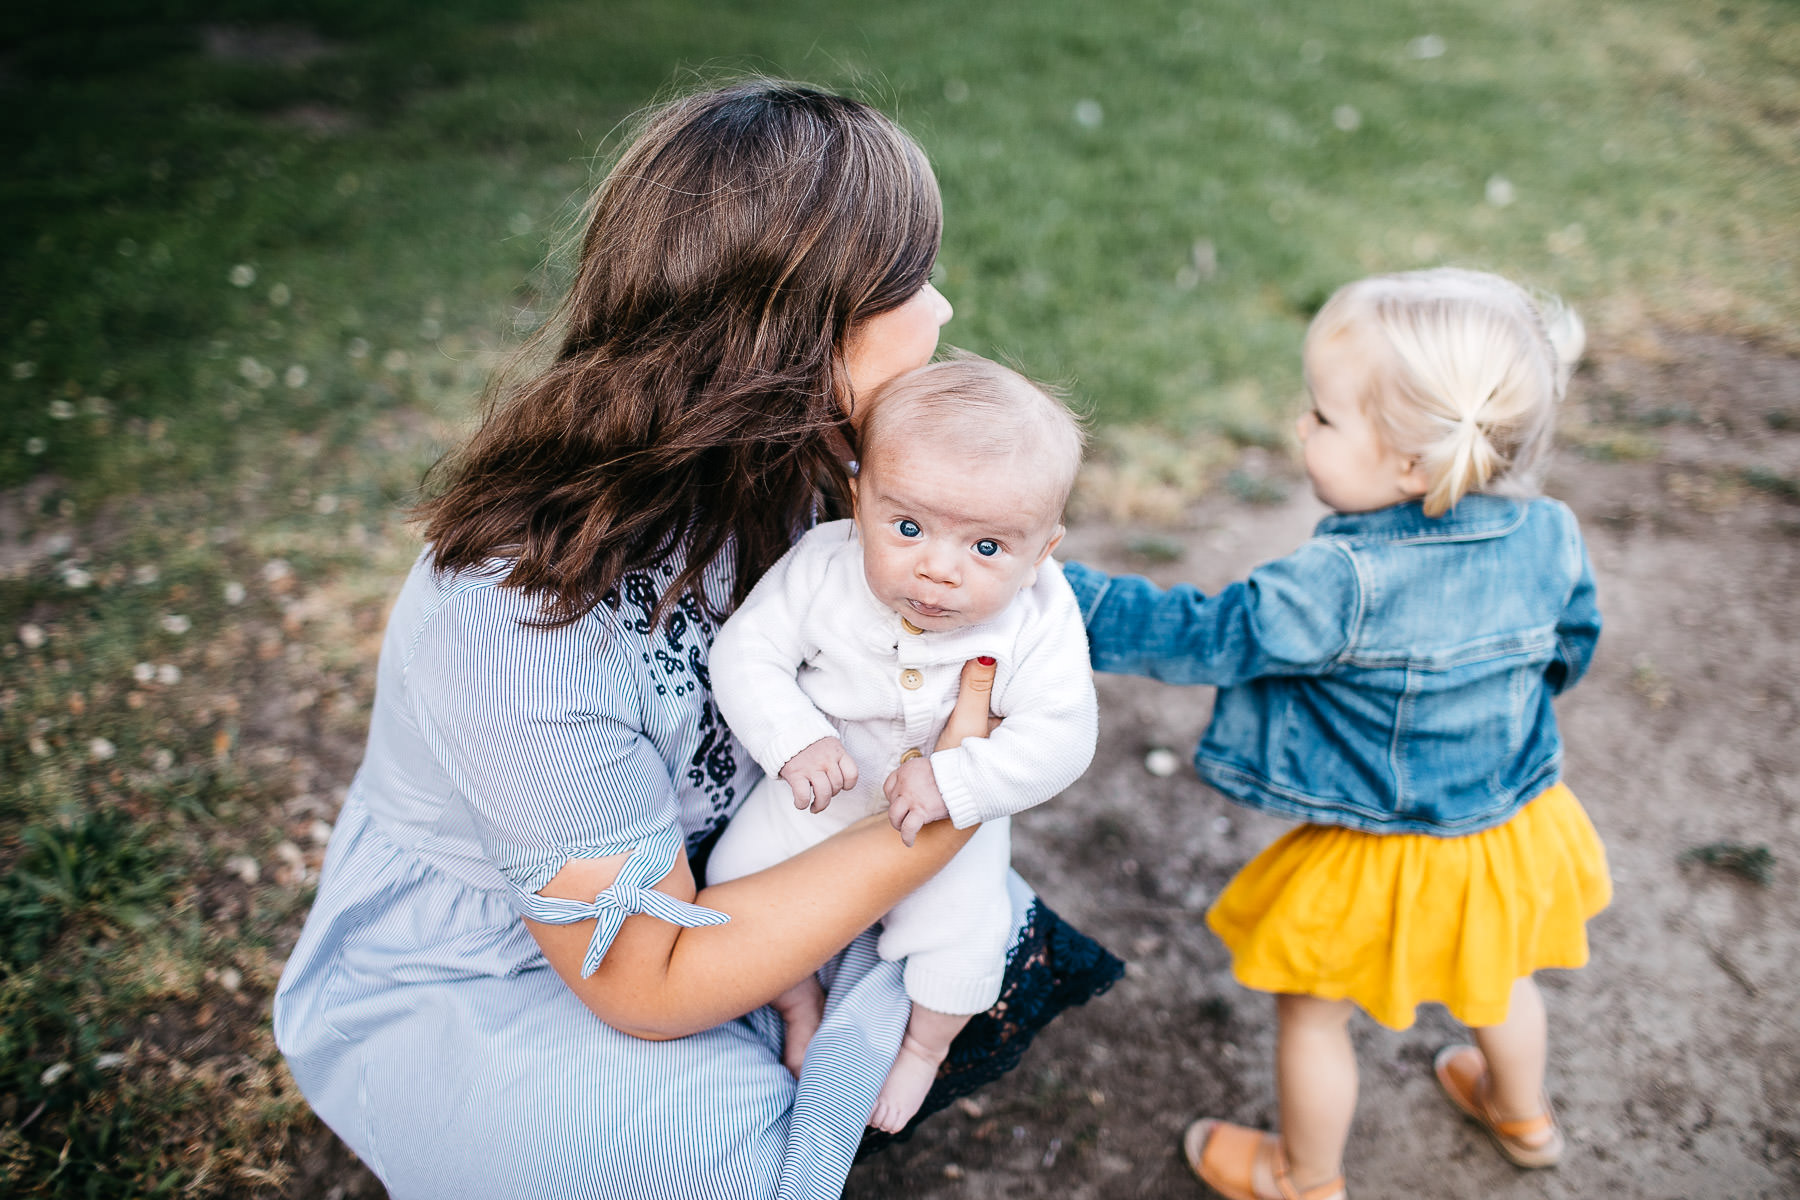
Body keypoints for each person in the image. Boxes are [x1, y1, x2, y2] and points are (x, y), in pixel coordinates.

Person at [272, 80, 1120, 1200]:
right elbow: (643, 976)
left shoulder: (807, 462)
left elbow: (1005, 584)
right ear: (795, 340)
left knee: (963, 945)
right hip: (511, 967)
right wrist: (944, 811)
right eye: (910, 284)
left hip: (731, 850)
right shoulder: (519, 612)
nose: (946, 310)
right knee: (661, 1142)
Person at [1061, 268, 1610, 1200]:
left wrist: (1060, 596)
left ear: (1408, 464)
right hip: (1511, 829)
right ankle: (1524, 1117)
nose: (1300, 430)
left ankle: (1300, 1174)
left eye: (1320, 416)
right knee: (1502, 977)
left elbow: (1208, 635)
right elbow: (1573, 642)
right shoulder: (1552, 532)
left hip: (1381, 853)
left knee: (1313, 1013)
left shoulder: (1340, 581)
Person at [705, 355, 1098, 1133]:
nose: (939, 569)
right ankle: (797, 1000)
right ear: (860, 500)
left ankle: (923, 1047)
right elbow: (747, 654)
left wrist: (963, 782)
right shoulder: (823, 567)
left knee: (964, 940)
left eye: (987, 548)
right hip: (820, 796)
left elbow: (1064, 736)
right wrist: (795, 738)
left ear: (1042, 550)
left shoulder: (1041, 618)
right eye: (909, 527)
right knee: (729, 882)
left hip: (948, 827)